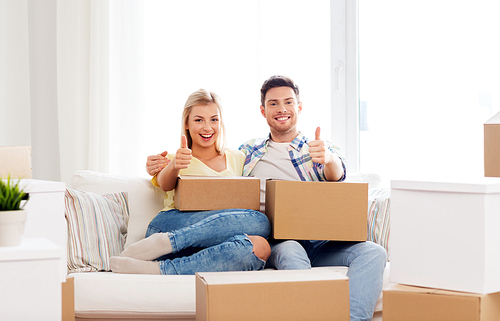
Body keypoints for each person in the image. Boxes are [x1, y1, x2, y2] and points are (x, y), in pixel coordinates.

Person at [146, 76, 387, 321]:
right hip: (281, 240)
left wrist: (327, 159)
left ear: (299, 107)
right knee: (290, 249)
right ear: (263, 111)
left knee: (374, 252)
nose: (281, 109)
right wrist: (161, 164)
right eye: (273, 103)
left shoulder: (318, 148)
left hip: (323, 242)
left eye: (288, 102)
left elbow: (337, 173)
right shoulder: (248, 152)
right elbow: (214, 175)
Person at [110, 89, 271, 275]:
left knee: (260, 243)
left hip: (209, 243)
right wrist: (174, 165)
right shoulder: (175, 158)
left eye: (214, 119)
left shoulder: (238, 157)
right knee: (260, 222)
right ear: (186, 122)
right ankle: (169, 241)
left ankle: (160, 269)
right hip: (169, 228)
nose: (207, 127)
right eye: (198, 120)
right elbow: (164, 184)